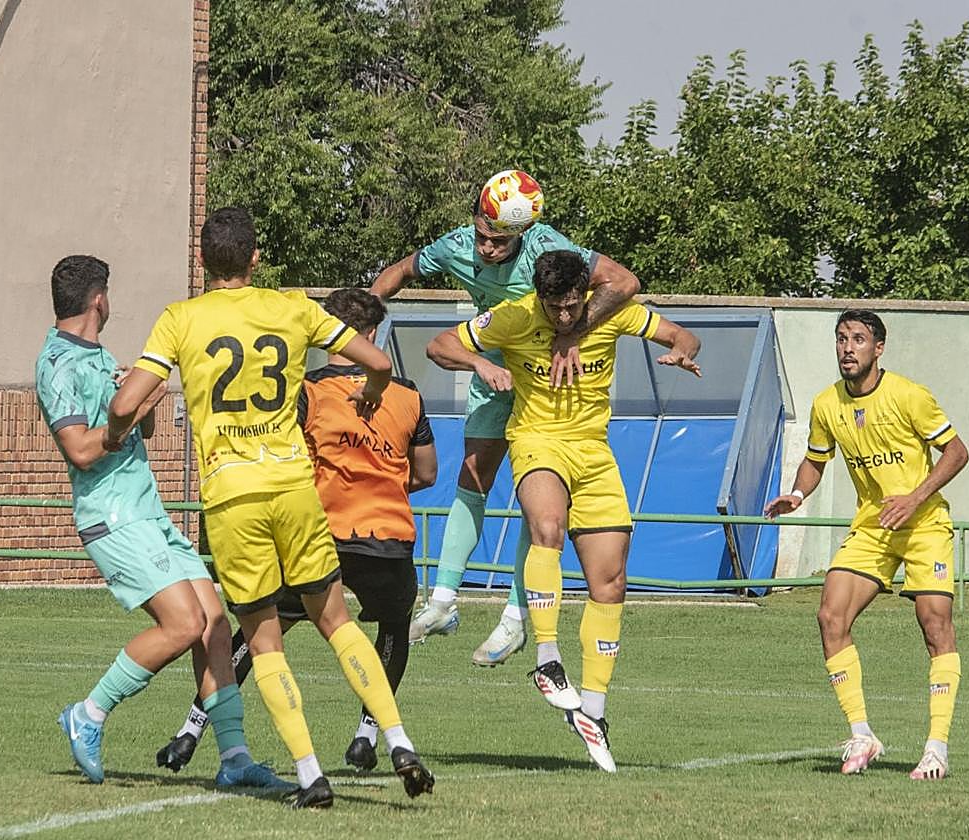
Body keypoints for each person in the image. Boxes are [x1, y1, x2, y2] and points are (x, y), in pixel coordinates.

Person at [108, 209, 434, 809]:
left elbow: (128, 402)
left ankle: (310, 775)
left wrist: (111, 432)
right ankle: (398, 740)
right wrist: (373, 393)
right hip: (293, 487)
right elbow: (379, 363)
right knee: (337, 620)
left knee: (263, 641)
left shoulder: (181, 318)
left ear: (202, 261)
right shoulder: (293, 308)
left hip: (232, 496)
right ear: (256, 258)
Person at [425, 250, 701, 771]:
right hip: (537, 441)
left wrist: (682, 351)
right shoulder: (514, 316)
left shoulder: (612, 311)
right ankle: (547, 658)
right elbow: (439, 345)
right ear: (540, 297)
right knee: (547, 527)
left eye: (573, 305)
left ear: (584, 293)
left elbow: (681, 335)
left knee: (610, 582)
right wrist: (483, 363)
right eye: (555, 308)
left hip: (594, 452)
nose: (565, 316)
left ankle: (593, 711)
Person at [154, 287, 438, 776]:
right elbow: (427, 472)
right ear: (372, 334)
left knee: (259, 633)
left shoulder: (308, 391)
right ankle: (370, 735)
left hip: (320, 528)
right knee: (391, 629)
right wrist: (381, 477)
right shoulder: (407, 394)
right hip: (387, 534)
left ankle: (191, 729)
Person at [36, 255, 289, 792]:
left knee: (214, 622)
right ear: (99, 299)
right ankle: (89, 712)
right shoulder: (58, 364)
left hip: (149, 512)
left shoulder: (102, 357)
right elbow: (80, 450)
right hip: (112, 517)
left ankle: (235, 758)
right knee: (184, 624)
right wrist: (126, 415)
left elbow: (142, 429)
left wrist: (144, 396)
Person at [371, 169, 642, 667]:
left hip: (544, 382)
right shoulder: (457, 246)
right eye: (482, 234)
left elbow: (624, 282)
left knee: (540, 505)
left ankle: (516, 619)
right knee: (471, 476)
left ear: (523, 233)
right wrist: (362, 322)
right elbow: (401, 271)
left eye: (499, 241)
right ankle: (443, 602)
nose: (486, 248)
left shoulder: (547, 245)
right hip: (493, 372)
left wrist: (572, 332)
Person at [763, 310, 969, 781]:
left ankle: (936, 749)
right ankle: (862, 735)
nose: (847, 348)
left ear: (878, 348)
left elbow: (957, 452)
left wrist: (914, 498)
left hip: (923, 524)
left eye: (858, 339)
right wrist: (797, 493)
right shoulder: (826, 404)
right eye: (841, 338)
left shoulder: (909, 395)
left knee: (935, 625)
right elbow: (816, 460)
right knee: (830, 616)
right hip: (873, 526)